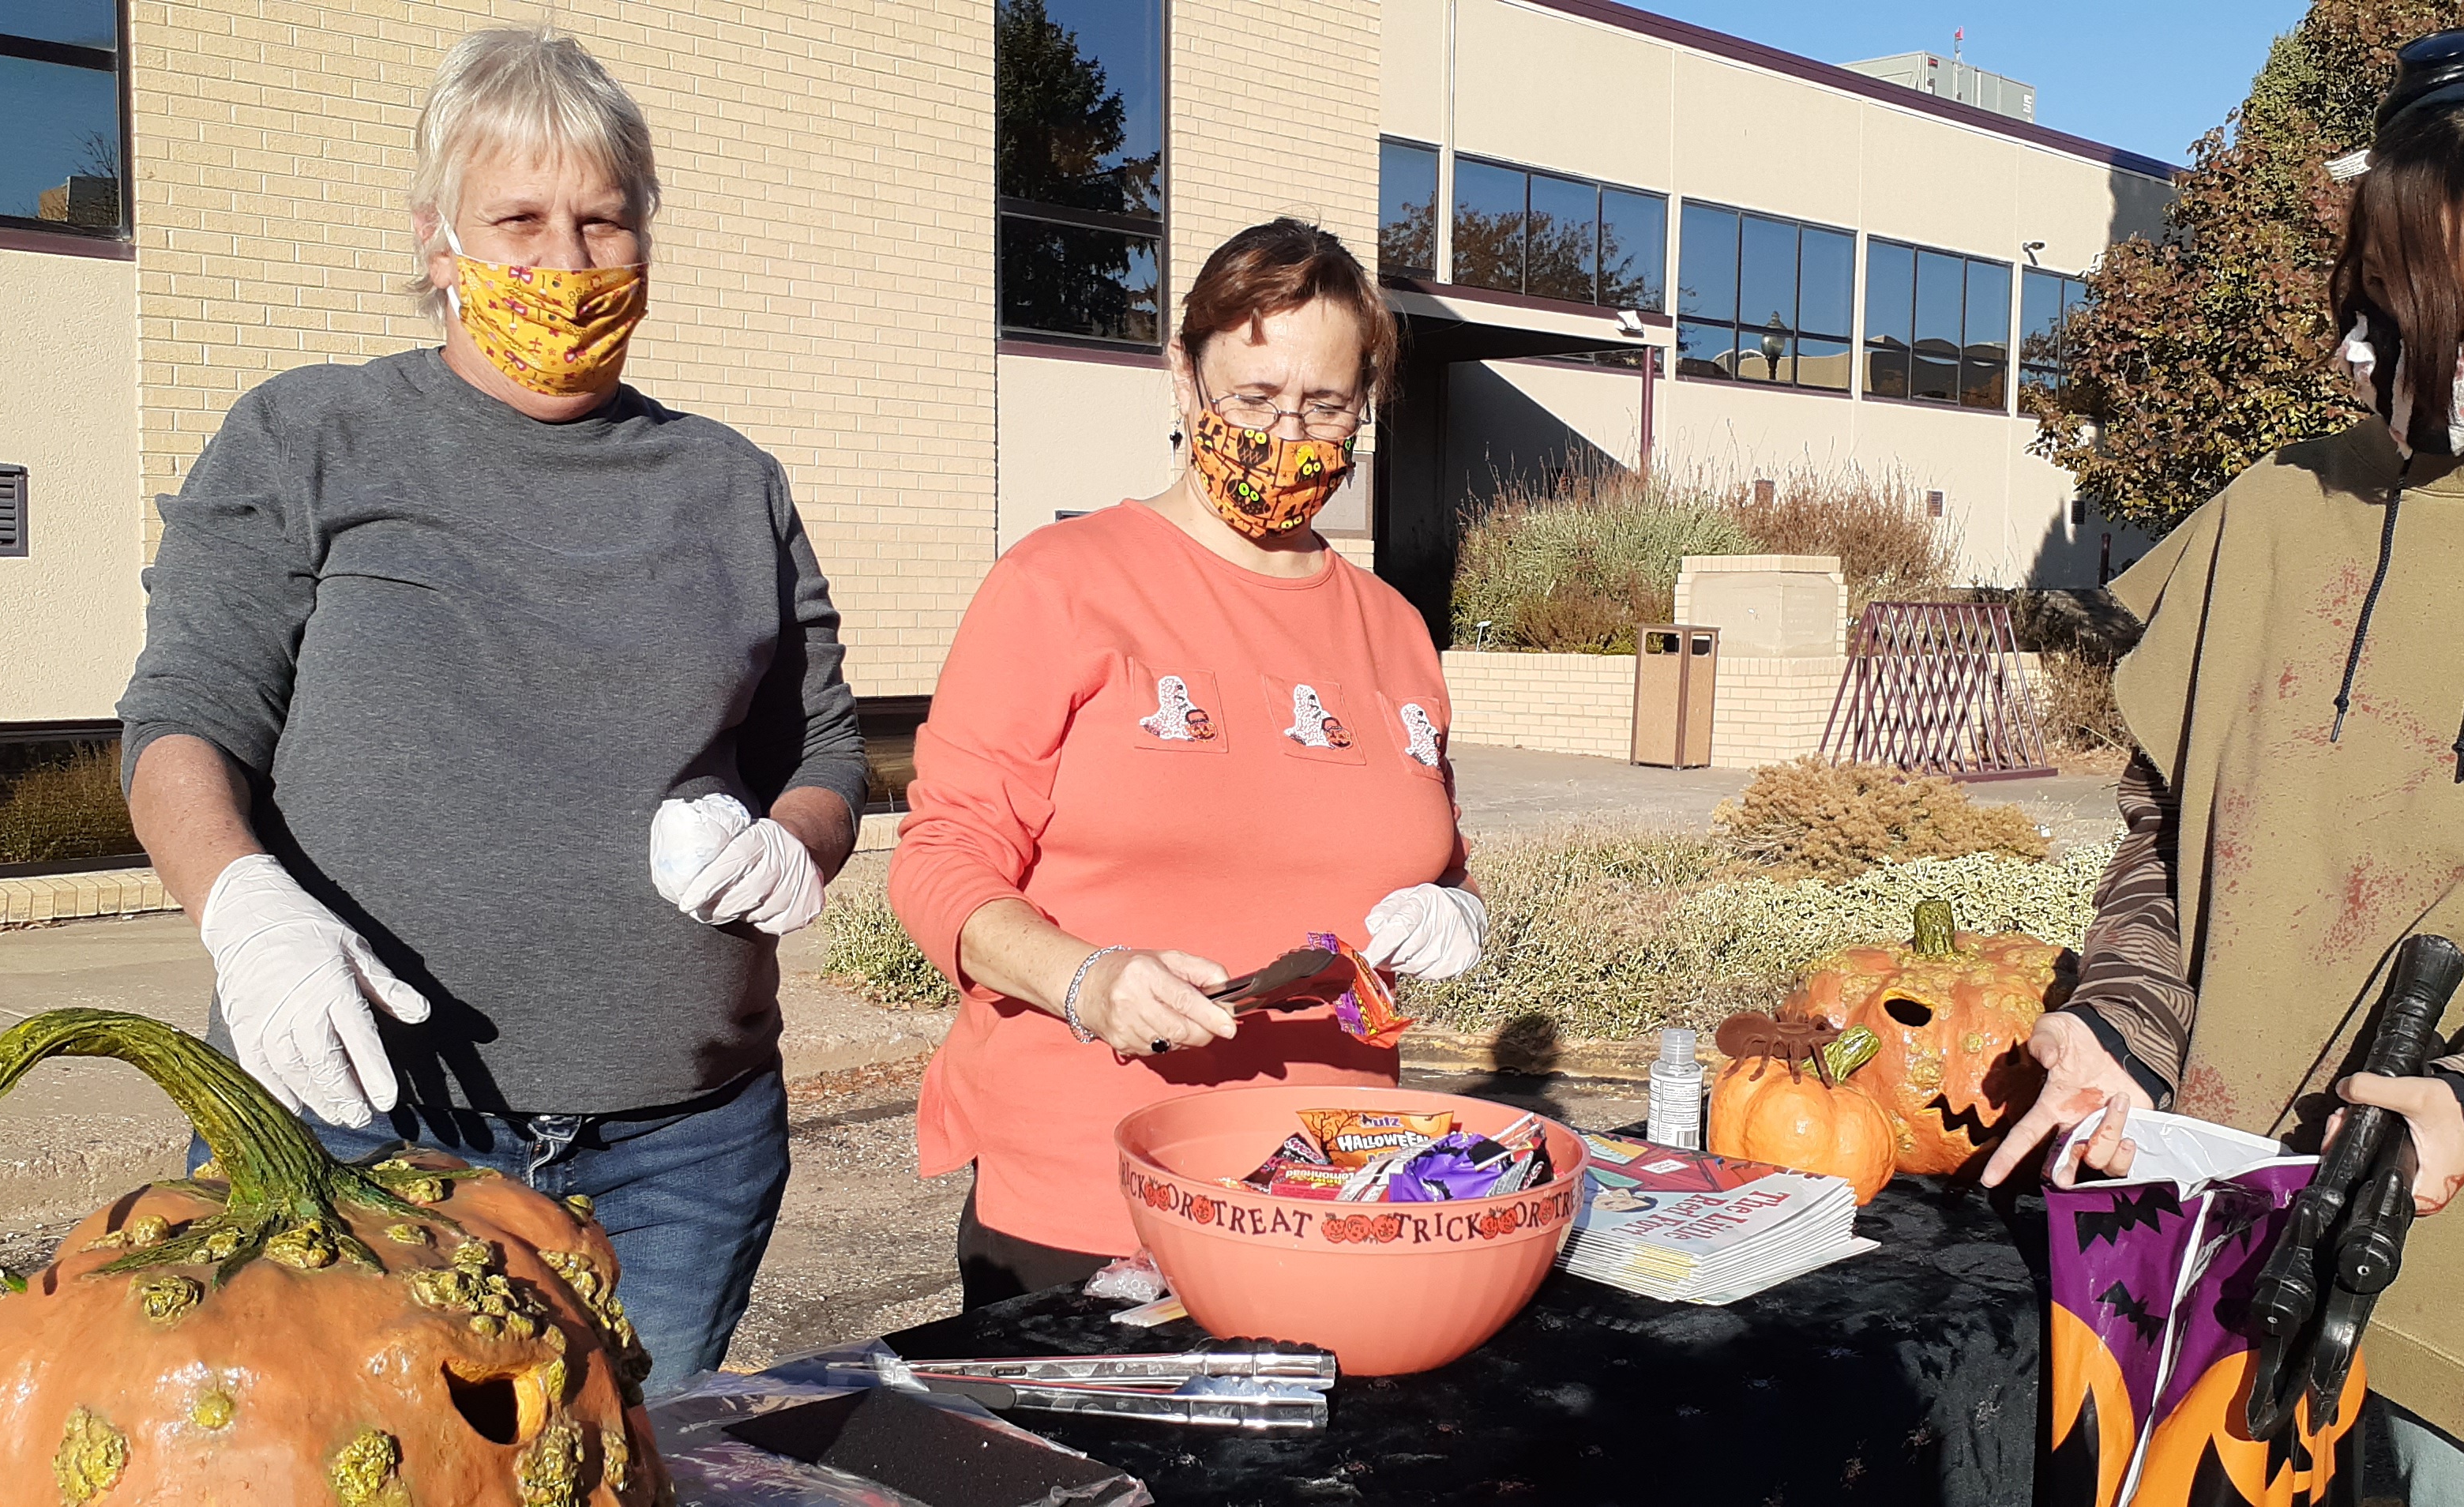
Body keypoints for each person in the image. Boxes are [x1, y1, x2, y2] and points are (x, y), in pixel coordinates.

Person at [1981, 23, 2464, 1505]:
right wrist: (2120, 1022)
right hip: (2216, 1264)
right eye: (2391, 278)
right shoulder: (2274, 509)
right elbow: (2165, 834)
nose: (2408, 328)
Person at [116, 25, 865, 1391]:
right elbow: (183, 717)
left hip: (676, 1160)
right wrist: (246, 911)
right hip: (352, 1135)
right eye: (517, 219)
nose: (564, 263)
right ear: (437, 237)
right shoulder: (313, 436)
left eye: (603, 221)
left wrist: (794, 841)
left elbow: (818, 749)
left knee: (605, 1473)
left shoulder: (728, 482)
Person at [890, 219, 1482, 1307]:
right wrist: (1083, 978)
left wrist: (1456, 912)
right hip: (1092, 1196)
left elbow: (1435, 861)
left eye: (1325, 406)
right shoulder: (1060, 584)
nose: (1285, 435)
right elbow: (941, 860)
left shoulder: (1393, 628)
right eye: (1252, 400)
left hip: (1332, 1191)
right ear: (1181, 378)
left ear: (1367, 406)